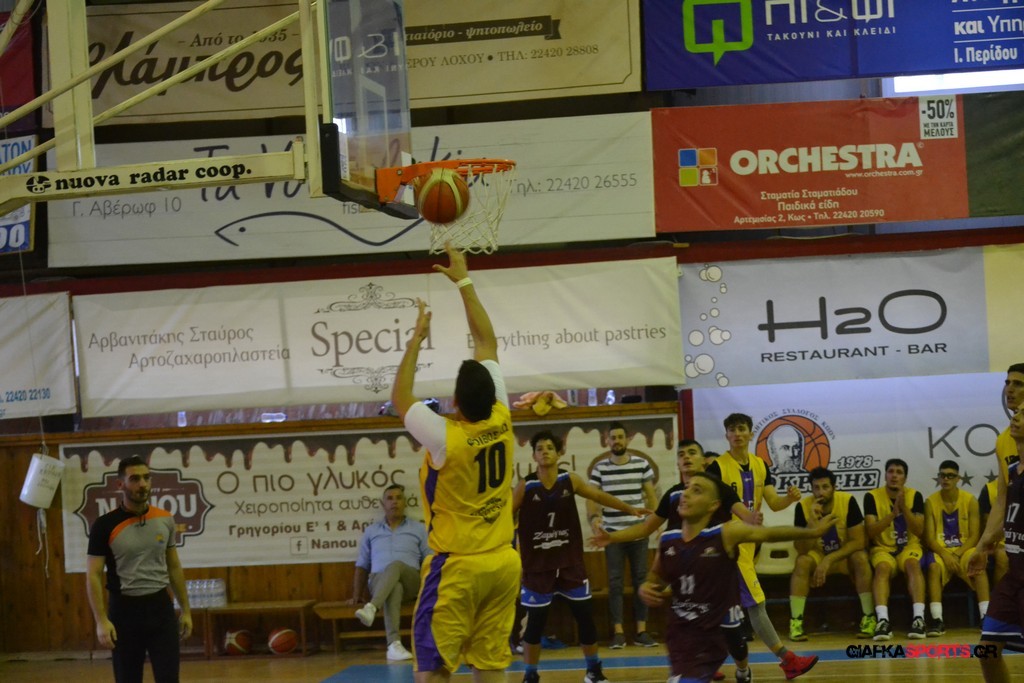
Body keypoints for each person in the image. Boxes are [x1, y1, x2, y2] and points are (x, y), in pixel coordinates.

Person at [391, 243, 519, 683]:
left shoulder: (446, 437)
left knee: (432, 666)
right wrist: (463, 279)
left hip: (459, 567)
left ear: (456, 404)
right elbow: (487, 342)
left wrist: (416, 339)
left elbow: (400, 397)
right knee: (490, 662)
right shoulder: (502, 416)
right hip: (503, 562)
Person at [639, 472, 839, 683]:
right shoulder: (668, 539)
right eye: (687, 488)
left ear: (713, 505)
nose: (685, 494)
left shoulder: (725, 533)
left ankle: (747, 669)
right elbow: (656, 576)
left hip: (706, 638)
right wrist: (646, 587)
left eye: (696, 490)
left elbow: (769, 534)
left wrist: (813, 532)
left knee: (741, 626)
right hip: (679, 637)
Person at [591, 439, 754, 683]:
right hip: (686, 571)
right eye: (681, 454)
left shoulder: (718, 490)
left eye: (692, 452)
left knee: (733, 636)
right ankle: (696, 667)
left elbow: (745, 516)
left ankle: (742, 669)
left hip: (715, 573)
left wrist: (753, 519)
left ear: (703, 461)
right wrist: (611, 537)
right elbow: (645, 528)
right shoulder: (673, 495)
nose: (686, 457)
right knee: (687, 628)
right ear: (677, 462)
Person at [513, 430, 647, 683]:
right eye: (539, 448)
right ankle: (530, 675)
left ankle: (593, 670)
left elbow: (598, 496)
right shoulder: (526, 486)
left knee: (586, 619)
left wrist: (628, 508)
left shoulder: (570, 480)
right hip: (538, 566)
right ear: (533, 456)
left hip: (569, 563)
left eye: (549, 448)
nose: (544, 452)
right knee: (534, 625)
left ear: (559, 453)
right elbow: (505, 516)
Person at [704, 413, 818, 680]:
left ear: (750, 433)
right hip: (728, 546)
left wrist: (789, 499)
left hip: (747, 546)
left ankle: (709, 663)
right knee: (756, 604)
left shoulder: (760, 465)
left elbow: (773, 503)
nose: (737, 434)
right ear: (726, 435)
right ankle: (787, 659)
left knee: (721, 608)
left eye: (741, 428)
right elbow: (710, 507)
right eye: (732, 429)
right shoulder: (717, 468)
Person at [85, 456, 192, 683]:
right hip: (124, 613)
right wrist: (101, 620)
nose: (142, 484)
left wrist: (186, 610)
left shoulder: (165, 519)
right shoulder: (104, 526)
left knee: (169, 679)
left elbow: (174, 566)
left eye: (146, 478)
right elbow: (93, 575)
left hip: (161, 609)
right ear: (120, 484)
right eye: (134, 479)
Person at [586, 421, 659, 648]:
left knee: (641, 580)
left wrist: (654, 521)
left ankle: (641, 631)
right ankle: (618, 632)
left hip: (638, 533)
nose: (617, 441)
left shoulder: (641, 464)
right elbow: (592, 497)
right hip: (612, 535)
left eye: (620, 437)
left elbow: (651, 496)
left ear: (627, 440)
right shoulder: (599, 468)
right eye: (613, 437)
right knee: (615, 582)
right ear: (607, 441)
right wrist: (594, 519)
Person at [969, 402, 1024, 683]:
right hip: (1014, 576)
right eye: (1018, 412)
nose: (1017, 417)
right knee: (987, 650)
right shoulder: (1013, 469)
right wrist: (982, 546)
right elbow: (1003, 510)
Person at [789, 467, 876, 641]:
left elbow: (859, 541)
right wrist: (812, 523)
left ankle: (869, 617)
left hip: (842, 556)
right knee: (802, 562)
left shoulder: (847, 501)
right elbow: (802, 549)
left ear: (834, 487)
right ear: (811, 489)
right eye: (816, 488)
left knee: (860, 557)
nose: (821, 492)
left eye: (825, 487)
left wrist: (829, 559)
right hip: (817, 556)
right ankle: (796, 621)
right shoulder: (803, 507)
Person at [351, 483, 431, 661]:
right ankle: (394, 645)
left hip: (411, 580)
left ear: (405, 503)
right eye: (390, 498)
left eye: (398, 498)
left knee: (396, 566)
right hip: (378, 581)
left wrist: (431, 588)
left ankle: (372, 607)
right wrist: (356, 595)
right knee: (395, 588)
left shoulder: (418, 528)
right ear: (383, 504)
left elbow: (429, 559)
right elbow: (362, 564)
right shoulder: (372, 531)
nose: (394, 502)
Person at [922, 460, 989, 636]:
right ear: (939, 477)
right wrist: (946, 555)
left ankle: (986, 617)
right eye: (942, 475)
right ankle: (937, 620)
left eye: (950, 476)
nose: (946, 479)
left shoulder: (970, 500)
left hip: (964, 549)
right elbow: (930, 538)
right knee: (933, 567)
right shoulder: (930, 502)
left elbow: (974, 535)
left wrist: (957, 555)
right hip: (941, 551)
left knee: (977, 562)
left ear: (958, 478)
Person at [863, 458, 926, 640]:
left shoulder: (915, 496)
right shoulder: (872, 496)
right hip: (883, 547)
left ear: (905, 478)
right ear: (885, 475)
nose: (894, 476)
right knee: (882, 568)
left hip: (909, 546)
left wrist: (904, 508)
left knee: (913, 564)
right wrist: (892, 514)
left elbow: (919, 531)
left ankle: (919, 619)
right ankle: (883, 621)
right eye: (891, 471)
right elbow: (870, 531)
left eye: (899, 472)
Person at [995, 363, 1024, 481]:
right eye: (1007, 383)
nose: (1009, 389)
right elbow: (1003, 489)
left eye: (1018, 384)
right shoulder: (1002, 439)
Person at [979, 477, 1010, 584]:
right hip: (1001, 539)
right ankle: (1001, 594)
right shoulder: (990, 489)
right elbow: (988, 525)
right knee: (1003, 557)